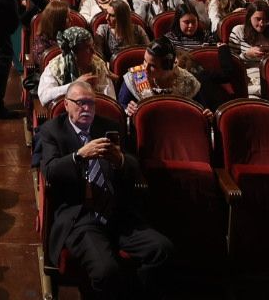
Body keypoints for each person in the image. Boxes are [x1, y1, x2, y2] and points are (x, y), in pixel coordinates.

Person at [38, 76, 174, 299]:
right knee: (106, 271)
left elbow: (134, 165)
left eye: (90, 103)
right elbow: (50, 172)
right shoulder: (53, 131)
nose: (86, 108)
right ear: (66, 105)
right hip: (81, 217)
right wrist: (79, 156)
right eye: (80, 103)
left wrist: (120, 159)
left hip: (118, 214)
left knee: (162, 250)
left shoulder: (109, 128)